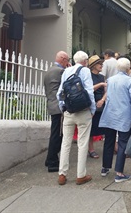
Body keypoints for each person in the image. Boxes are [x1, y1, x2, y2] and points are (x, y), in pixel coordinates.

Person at [56, 51, 96, 186]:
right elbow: (89, 91)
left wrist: (63, 107)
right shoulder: (85, 71)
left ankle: (62, 174)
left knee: (66, 143)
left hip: (69, 111)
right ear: (85, 61)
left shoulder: (67, 71)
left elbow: (60, 93)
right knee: (82, 143)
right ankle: (80, 175)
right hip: (83, 112)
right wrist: (93, 109)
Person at [99, 58, 131, 182]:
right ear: (128, 69)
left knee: (109, 141)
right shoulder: (129, 81)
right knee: (122, 143)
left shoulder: (110, 80)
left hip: (110, 113)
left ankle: (105, 167)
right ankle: (119, 172)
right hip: (124, 114)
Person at [44, 51, 70, 172]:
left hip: (51, 104)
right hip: (58, 107)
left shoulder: (50, 70)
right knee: (57, 134)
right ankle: (53, 161)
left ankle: (49, 158)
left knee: (55, 133)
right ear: (63, 59)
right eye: (67, 60)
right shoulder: (60, 71)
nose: (68, 63)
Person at [87, 55, 107, 159]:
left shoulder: (101, 76)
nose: (101, 65)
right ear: (93, 65)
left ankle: (111, 147)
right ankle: (91, 149)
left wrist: (103, 99)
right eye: (99, 63)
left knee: (106, 127)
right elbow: (88, 89)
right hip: (91, 102)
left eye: (102, 63)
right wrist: (100, 84)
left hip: (101, 102)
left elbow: (106, 90)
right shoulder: (88, 75)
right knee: (91, 128)